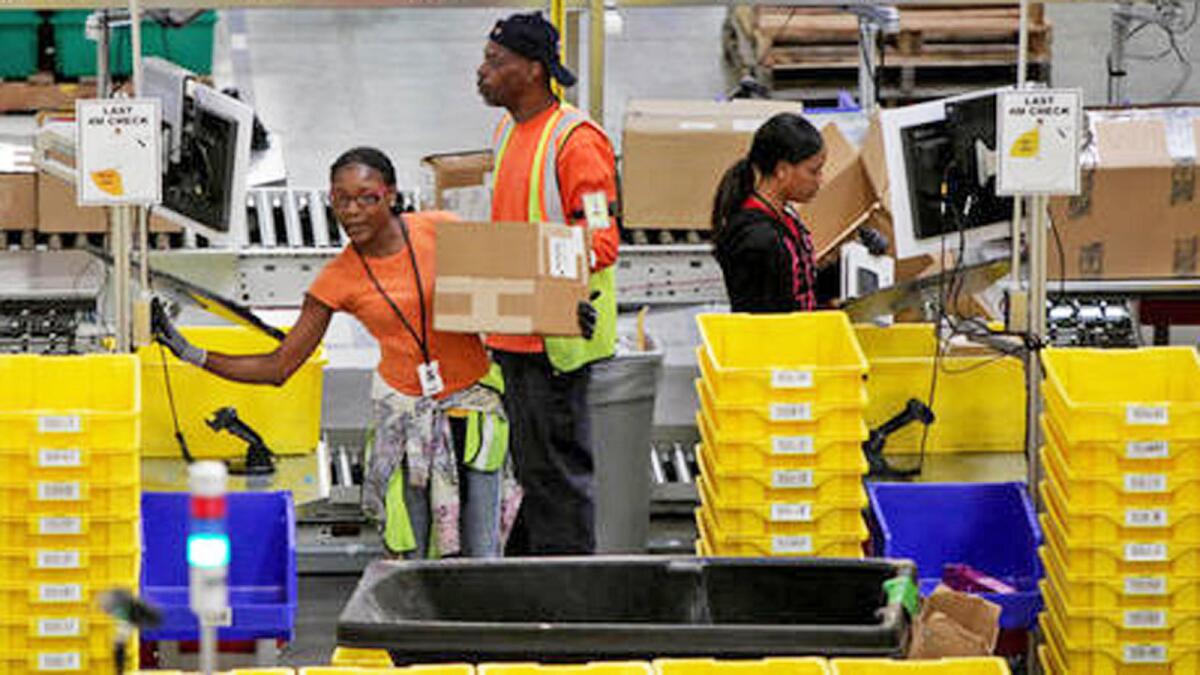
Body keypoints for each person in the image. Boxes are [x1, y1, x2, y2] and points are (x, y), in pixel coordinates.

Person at [152, 147, 519, 559]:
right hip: (407, 426)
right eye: (341, 200)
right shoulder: (338, 280)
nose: (353, 211)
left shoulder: (441, 230)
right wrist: (191, 353)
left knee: (482, 550)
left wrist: (567, 311)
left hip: (474, 415)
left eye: (367, 198)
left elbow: (515, 292)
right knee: (418, 556)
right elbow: (279, 366)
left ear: (391, 196)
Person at [476, 11, 619, 554]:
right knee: (533, 478)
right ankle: (527, 593)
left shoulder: (575, 142)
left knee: (558, 481)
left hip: (554, 341)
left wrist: (526, 268)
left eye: (495, 62)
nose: (482, 72)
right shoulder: (509, 131)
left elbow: (601, 241)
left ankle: (569, 610)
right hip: (513, 333)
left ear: (533, 70)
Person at [711, 113, 827, 313]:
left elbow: (800, 285)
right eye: (813, 171)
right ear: (782, 170)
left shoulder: (785, 218)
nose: (820, 180)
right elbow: (770, 321)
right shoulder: (757, 240)